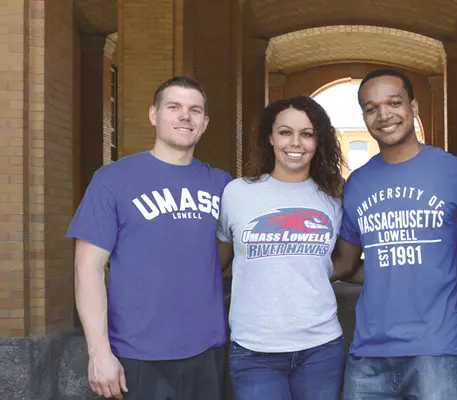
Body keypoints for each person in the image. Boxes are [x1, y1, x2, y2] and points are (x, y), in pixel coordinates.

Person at [68, 76, 231, 400]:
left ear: (205, 122)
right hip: (137, 353)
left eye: (195, 110)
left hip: (208, 349)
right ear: (154, 115)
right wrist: (99, 354)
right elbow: (87, 270)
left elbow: (224, 254)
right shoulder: (113, 180)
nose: (185, 116)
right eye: (174, 107)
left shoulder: (222, 184)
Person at [329, 68, 457, 400]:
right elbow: (347, 264)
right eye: (371, 108)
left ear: (413, 107)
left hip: (437, 350)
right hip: (368, 352)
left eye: (394, 102)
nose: (384, 115)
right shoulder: (358, 184)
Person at [217, 95, 348, 399]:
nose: (295, 142)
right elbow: (218, 259)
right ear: (270, 137)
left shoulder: (334, 197)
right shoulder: (236, 193)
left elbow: (343, 260)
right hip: (254, 350)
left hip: (321, 348)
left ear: (318, 141)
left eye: (307, 134)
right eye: (285, 132)